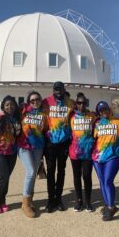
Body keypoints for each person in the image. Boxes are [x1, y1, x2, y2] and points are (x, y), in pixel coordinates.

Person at [42, 81, 75, 213]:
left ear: (64, 89)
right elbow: (35, 110)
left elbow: (79, 114)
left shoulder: (70, 102)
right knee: (50, 171)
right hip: (50, 142)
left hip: (64, 142)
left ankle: (59, 198)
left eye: (60, 89)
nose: (58, 91)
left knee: (61, 170)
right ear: (53, 90)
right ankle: (51, 200)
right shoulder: (46, 101)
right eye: (56, 89)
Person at [92, 101, 119, 221]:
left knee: (108, 180)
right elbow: (93, 139)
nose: (103, 112)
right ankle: (107, 204)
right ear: (98, 112)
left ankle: (111, 208)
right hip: (97, 157)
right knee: (101, 181)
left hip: (113, 156)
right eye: (101, 110)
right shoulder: (96, 124)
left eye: (105, 109)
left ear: (109, 109)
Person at [17, 91, 47, 218]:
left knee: (34, 172)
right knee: (30, 172)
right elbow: (10, 113)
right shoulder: (23, 110)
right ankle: (25, 204)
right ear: (29, 101)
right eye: (32, 100)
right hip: (24, 145)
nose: (35, 102)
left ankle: (30, 199)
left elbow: (46, 128)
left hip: (38, 146)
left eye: (37, 100)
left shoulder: (44, 113)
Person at [69, 92, 96, 212]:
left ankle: (88, 201)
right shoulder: (71, 117)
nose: (81, 105)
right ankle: (79, 201)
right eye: (79, 103)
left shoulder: (92, 116)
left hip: (88, 153)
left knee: (86, 176)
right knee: (76, 176)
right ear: (76, 104)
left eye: (84, 103)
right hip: (74, 152)